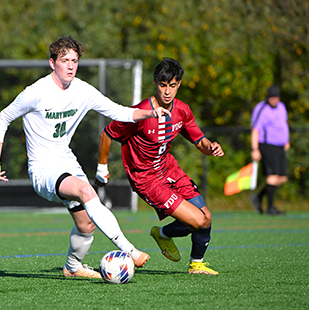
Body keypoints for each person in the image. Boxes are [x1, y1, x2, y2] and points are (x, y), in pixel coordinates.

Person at [0, 36, 171, 279]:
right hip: (43, 170)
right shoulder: (35, 93)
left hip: (67, 162)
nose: (70, 66)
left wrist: (151, 112)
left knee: (86, 225)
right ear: (52, 63)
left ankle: (73, 267)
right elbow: (2, 118)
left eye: (74, 60)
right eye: (65, 60)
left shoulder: (83, 90)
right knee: (87, 192)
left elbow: (118, 111)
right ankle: (130, 250)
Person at [95, 58, 224, 275]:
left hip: (169, 169)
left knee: (206, 218)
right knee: (197, 221)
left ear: (179, 85)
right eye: (163, 85)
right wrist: (102, 167)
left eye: (172, 86)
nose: (167, 91)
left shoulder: (182, 110)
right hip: (147, 179)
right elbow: (107, 133)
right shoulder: (140, 112)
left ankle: (195, 263)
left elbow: (199, 140)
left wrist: (210, 147)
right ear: (155, 83)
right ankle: (164, 235)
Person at [249, 85, 289, 215]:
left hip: (280, 147)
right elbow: (255, 130)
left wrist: (286, 140)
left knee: (282, 177)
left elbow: (283, 124)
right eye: (271, 97)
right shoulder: (262, 109)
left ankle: (258, 197)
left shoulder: (282, 107)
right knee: (272, 176)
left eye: (276, 97)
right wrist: (254, 149)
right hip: (267, 145)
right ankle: (270, 208)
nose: (274, 99)